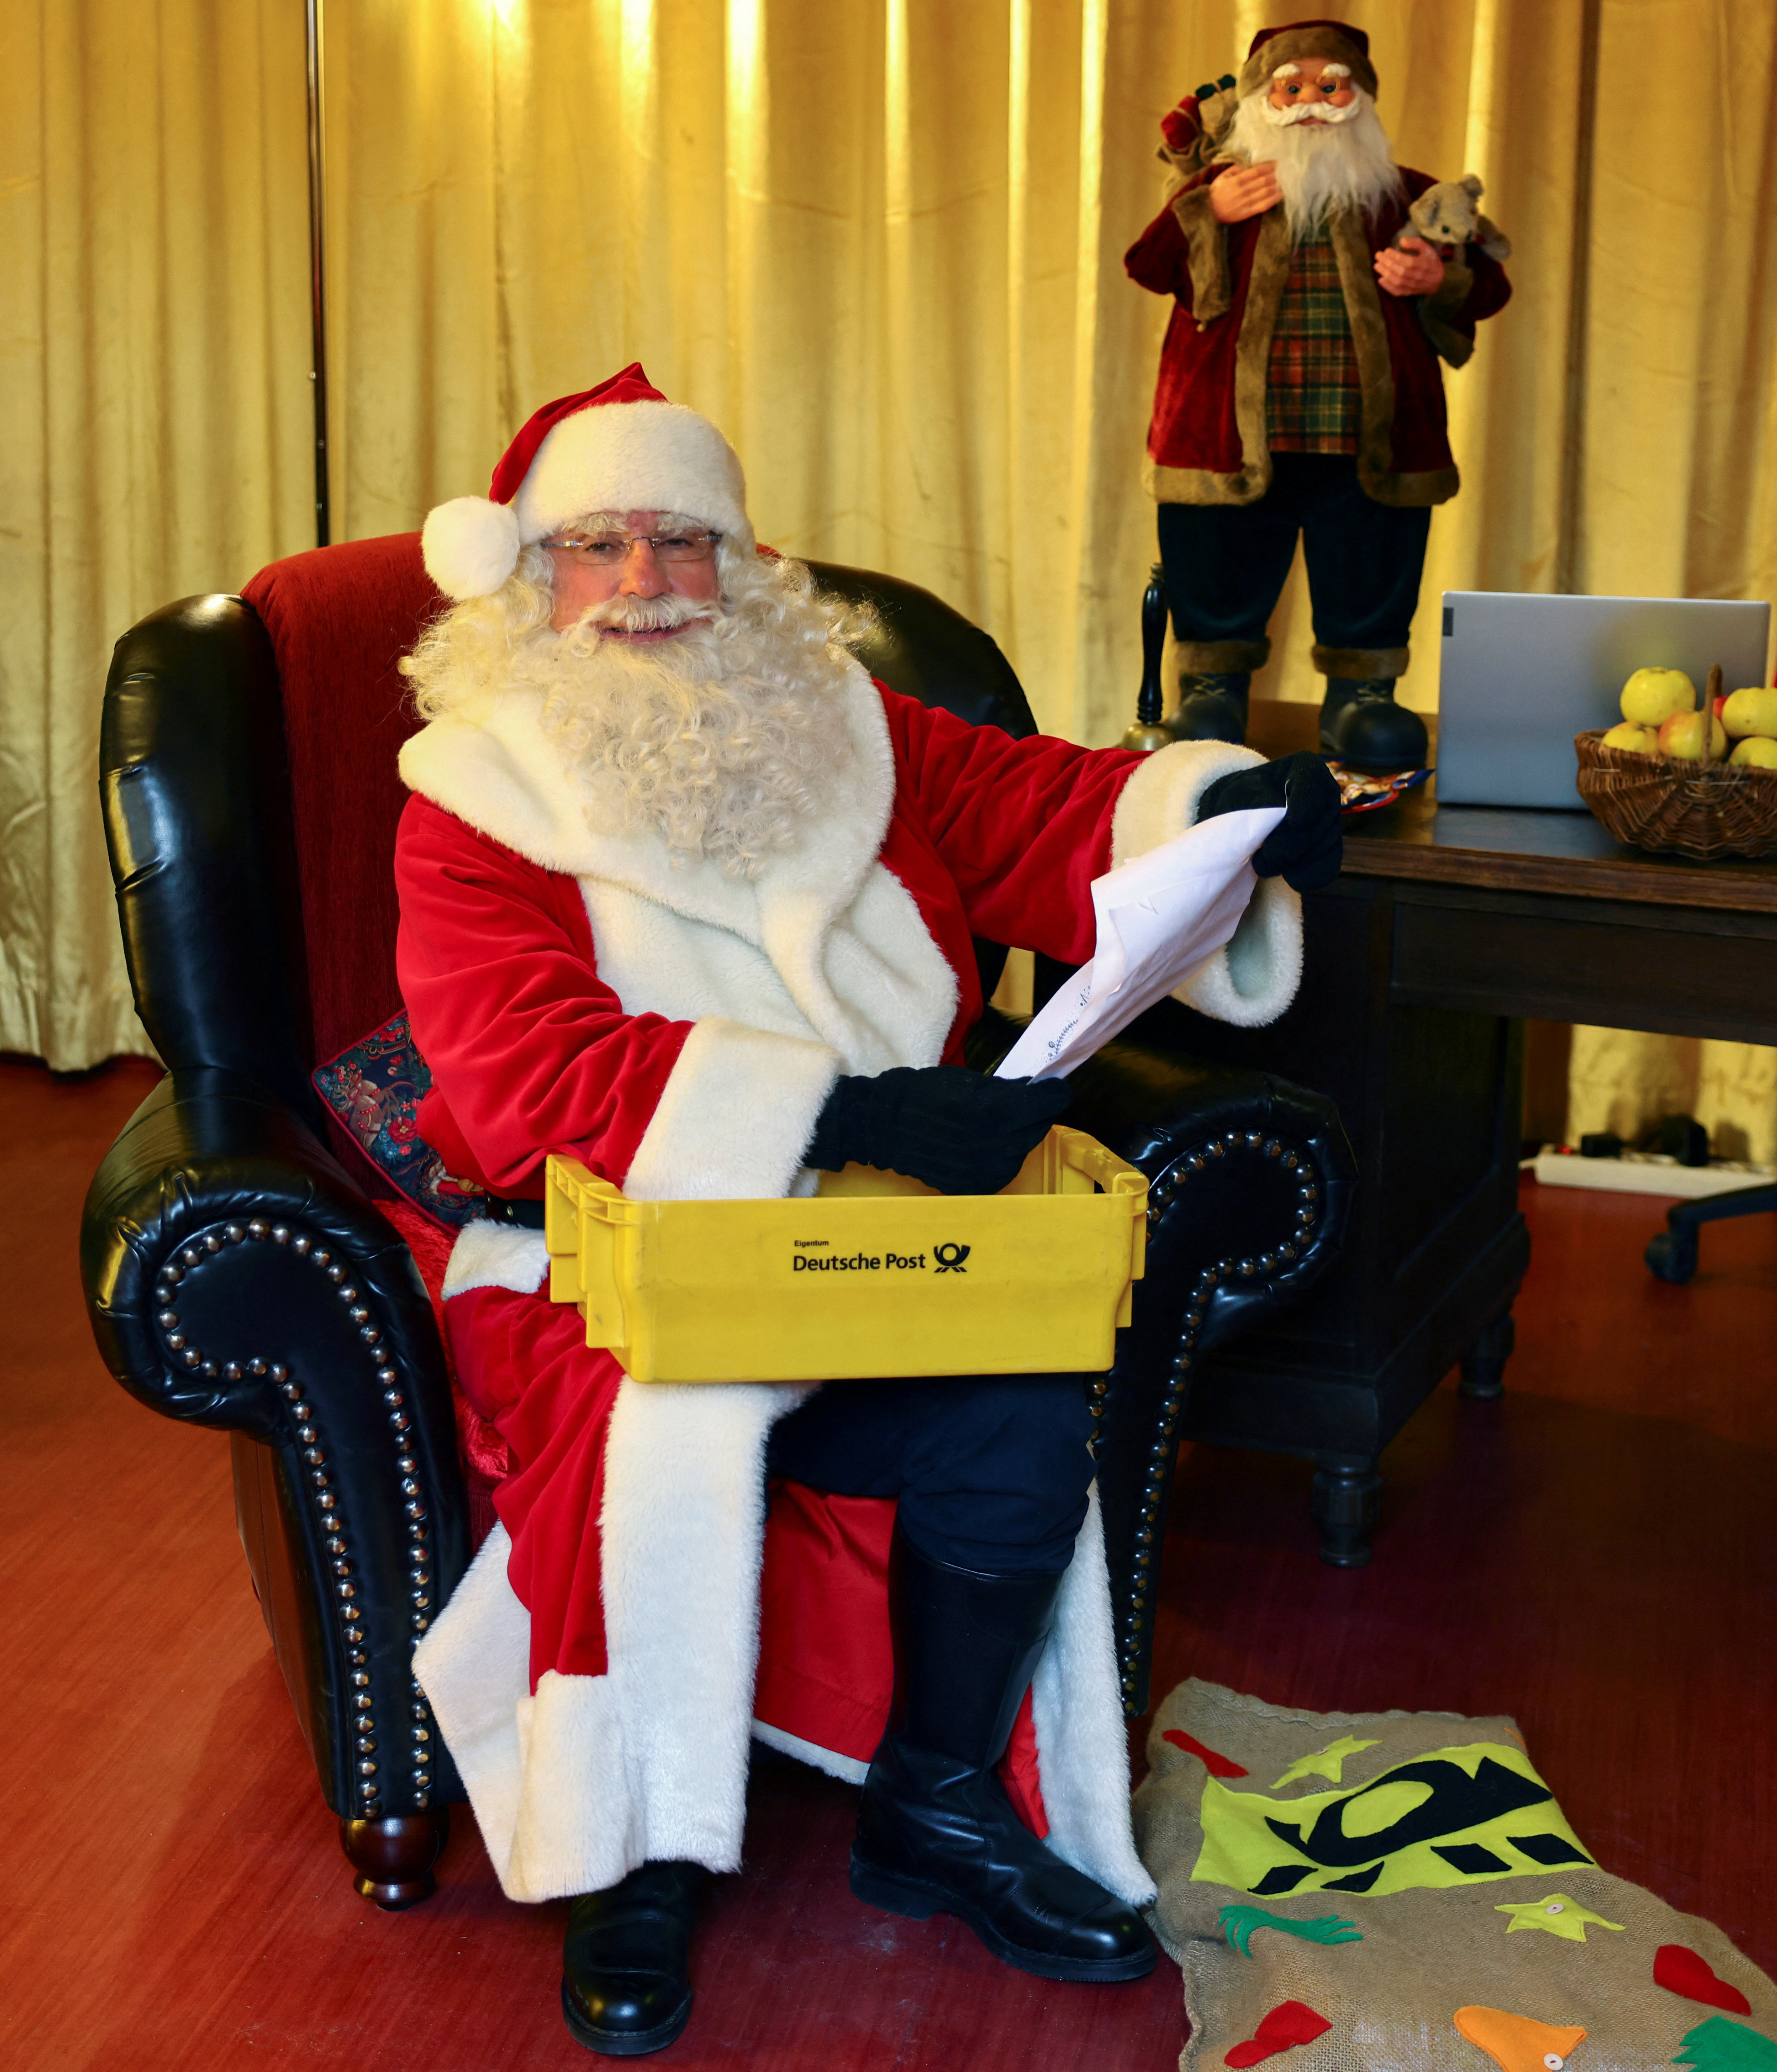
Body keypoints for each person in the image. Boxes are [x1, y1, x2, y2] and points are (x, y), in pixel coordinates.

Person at [396, 364, 1334, 2055]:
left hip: (885, 1224)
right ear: (530, 576)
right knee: (647, 1414)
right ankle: (634, 1849)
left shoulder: (846, 722)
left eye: (683, 539)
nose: (644, 580)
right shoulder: (474, 792)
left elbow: (1045, 809)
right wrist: (846, 1102)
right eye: (597, 543)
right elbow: (525, 1077)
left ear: (743, 562)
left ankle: (940, 1797)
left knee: (1021, 1404)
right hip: (599, 1256)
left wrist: (1223, 812)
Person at [1126, 18, 1511, 760]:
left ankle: (1362, 697)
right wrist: (1209, 211)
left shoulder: (1409, 200)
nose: (1311, 102)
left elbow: (1489, 281)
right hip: (1228, 438)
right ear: (1259, 102)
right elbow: (1147, 264)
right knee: (1217, 561)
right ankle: (1212, 692)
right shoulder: (1224, 188)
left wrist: (1440, 278)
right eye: (1291, 87)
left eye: (1331, 86)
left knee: (1369, 563)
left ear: (1361, 100)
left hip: (1369, 441)